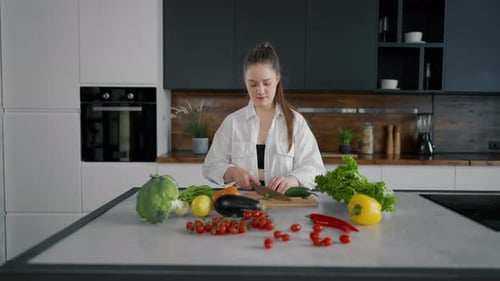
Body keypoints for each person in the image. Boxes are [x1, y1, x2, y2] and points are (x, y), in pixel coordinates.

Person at [202, 42, 325, 193]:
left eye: (266, 83)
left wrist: (293, 179)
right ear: (245, 82)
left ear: (277, 79)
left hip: (286, 206)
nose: (260, 90)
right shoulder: (233, 123)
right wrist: (232, 171)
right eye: (253, 84)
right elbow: (210, 167)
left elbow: (316, 169)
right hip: (244, 205)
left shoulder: (295, 122)